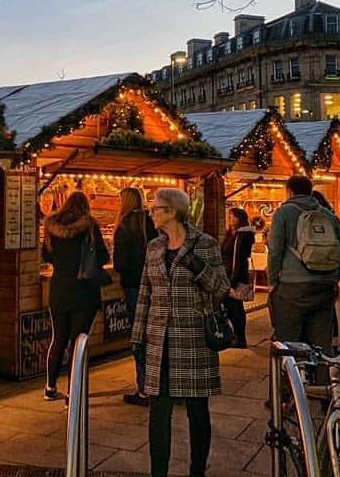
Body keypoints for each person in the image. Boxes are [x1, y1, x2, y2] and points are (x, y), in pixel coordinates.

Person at [132, 188, 230, 477]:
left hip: (193, 339)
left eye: (156, 208)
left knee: (197, 412)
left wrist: (196, 266)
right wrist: (138, 336)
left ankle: (197, 471)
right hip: (158, 340)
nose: (152, 212)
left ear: (173, 211)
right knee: (158, 412)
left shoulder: (205, 244)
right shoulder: (154, 247)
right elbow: (145, 293)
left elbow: (220, 286)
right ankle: (158, 472)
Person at [267, 176, 340, 378]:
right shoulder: (328, 215)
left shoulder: (283, 213)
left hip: (292, 287)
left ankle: (287, 394)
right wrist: (332, 279)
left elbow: (275, 251)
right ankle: (323, 389)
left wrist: (273, 282)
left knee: (288, 344)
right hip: (325, 286)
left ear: (289, 191)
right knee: (322, 343)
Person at [41, 190, 109, 402]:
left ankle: (50, 387)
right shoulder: (89, 227)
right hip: (84, 291)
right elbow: (103, 256)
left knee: (58, 338)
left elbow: (46, 256)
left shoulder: (52, 227)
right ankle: (73, 391)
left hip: (59, 288)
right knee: (78, 342)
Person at [112, 186, 157, 405]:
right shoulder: (151, 223)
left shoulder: (124, 226)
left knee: (139, 338)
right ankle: (159, 385)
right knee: (154, 336)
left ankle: (144, 389)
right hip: (153, 284)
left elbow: (120, 263)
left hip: (133, 286)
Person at [220, 207, 256, 349]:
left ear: (239, 218)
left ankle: (239, 337)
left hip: (235, 275)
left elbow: (238, 258)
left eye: (232, 216)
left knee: (235, 307)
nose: (230, 219)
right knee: (231, 306)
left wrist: (232, 280)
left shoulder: (242, 235)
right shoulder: (231, 233)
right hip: (228, 273)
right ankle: (236, 335)